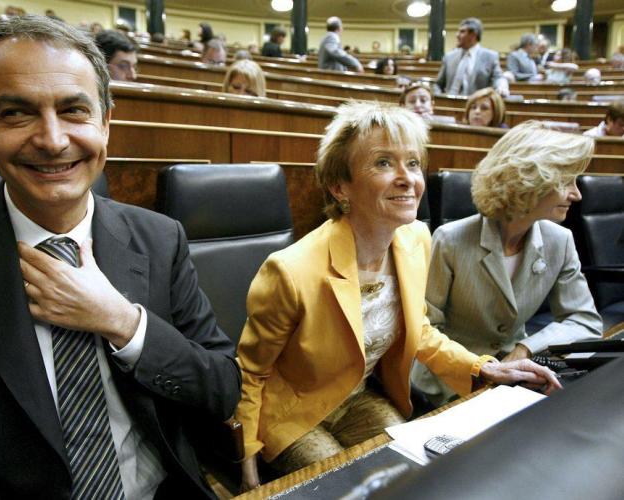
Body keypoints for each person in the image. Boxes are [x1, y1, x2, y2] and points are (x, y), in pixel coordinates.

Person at [0, 15, 241, 498]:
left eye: (74, 110)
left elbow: (222, 388)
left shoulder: (160, 239)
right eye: (17, 114)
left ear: (106, 122)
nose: (53, 140)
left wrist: (123, 323)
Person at [236, 102, 560, 490]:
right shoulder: (290, 270)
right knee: (347, 488)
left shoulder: (416, 239)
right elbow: (250, 373)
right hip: (293, 410)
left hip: (356, 398)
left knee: (413, 473)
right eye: (384, 163)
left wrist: (482, 368)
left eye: (413, 163)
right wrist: (247, 465)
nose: (407, 178)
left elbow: (418, 330)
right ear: (340, 187)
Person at [412, 121, 602, 407]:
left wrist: (525, 349)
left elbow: (584, 320)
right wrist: (480, 371)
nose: (577, 194)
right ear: (529, 180)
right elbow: (426, 329)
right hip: (450, 382)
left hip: (518, 376)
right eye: (566, 181)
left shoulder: (560, 240)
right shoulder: (450, 239)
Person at [435, 18, 508, 97]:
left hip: (475, 103)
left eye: (462, 31)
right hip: (448, 102)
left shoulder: (490, 56)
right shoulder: (449, 57)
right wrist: (438, 97)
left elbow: (499, 78)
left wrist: (501, 87)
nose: (457, 35)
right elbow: (438, 84)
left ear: (473, 35)